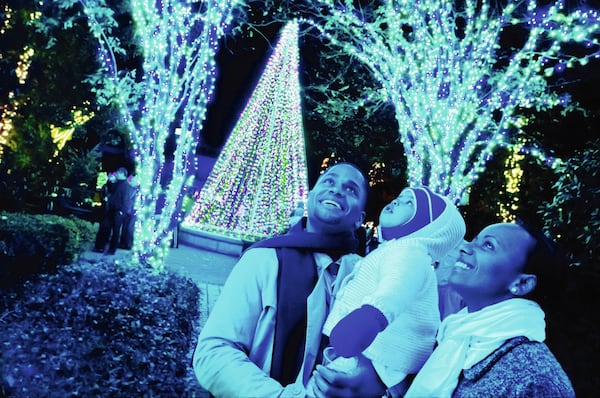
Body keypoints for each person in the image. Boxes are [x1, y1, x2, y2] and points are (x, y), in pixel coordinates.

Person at [193, 162, 381, 397]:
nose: (336, 190)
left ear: (359, 218)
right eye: (329, 181)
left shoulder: (371, 275)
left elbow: (390, 356)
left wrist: (374, 381)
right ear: (311, 197)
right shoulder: (262, 260)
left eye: (351, 189)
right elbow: (215, 350)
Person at [310, 186, 466, 396]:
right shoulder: (396, 249)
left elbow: (395, 289)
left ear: (429, 224)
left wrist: (370, 317)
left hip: (380, 354)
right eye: (400, 196)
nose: (397, 201)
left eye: (410, 203)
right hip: (370, 349)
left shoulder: (411, 254)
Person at [405, 221, 575, 397]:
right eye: (475, 240)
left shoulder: (535, 378)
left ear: (521, 283)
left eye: (488, 245)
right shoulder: (454, 335)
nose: (465, 247)